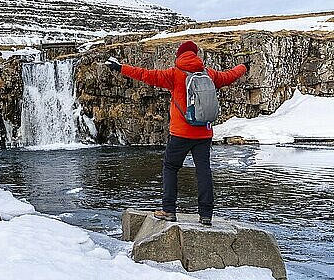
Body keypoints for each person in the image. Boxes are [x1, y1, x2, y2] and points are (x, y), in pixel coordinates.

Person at [105, 40, 248, 226]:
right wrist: (243, 66)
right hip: (203, 133)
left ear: (179, 55)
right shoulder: (209, 73)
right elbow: (230, 76)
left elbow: (144, 75)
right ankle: (206, 215)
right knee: (203, 171)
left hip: (180, 133)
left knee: (171, 168)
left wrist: (120, 67)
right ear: (196, 55)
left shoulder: (174, 74)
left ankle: (169, 210)